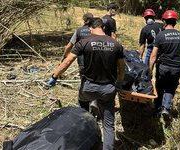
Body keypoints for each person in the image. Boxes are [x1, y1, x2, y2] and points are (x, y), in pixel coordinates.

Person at [48, 17, 125, 150]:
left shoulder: (84, 42)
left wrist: (54, 76)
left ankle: (85, 128)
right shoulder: (116, 44)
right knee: (108, 125)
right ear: (104, 28)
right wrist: (119, 82)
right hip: (108, 89)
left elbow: (67, 62)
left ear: (90, 28)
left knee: (82, 112)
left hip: (88, 88)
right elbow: (122, 69)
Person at [149, 10, 180, 117]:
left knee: (159, 88)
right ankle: (166, 109)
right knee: (171, 88)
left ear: (164, 22)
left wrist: (149, 71)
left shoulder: (160, 36)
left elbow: (153, 56)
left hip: (163, 67)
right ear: (175, 22)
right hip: (177, 68)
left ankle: (157, 111)